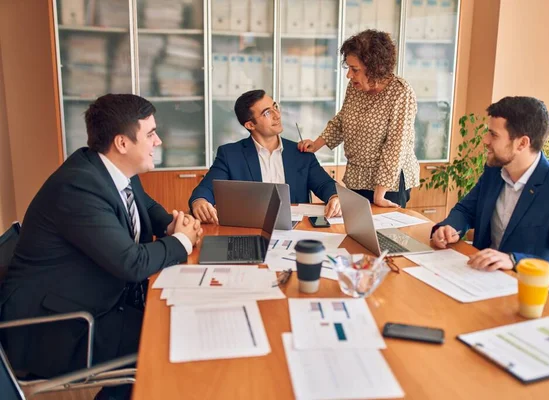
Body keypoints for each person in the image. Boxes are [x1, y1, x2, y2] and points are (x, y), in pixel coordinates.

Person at [0, 94, 202, 399]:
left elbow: (145, 207)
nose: (158, 141)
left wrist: (173, 224)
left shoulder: (111, 168)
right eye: (150, 134)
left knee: (177, 319)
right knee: (168, 341)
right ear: (122, 143)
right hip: (59, 327)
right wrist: (182, 240)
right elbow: (131, 263)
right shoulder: (78, 186)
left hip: (97, 301)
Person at [431, 96, 549, 297]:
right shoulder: (494, 172)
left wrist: (514, 261)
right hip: (478, 283)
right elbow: (465, 211)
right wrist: (449, 228)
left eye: (493, 135)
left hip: (525, 296)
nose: (485, 141)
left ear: (522, 143)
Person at [298, 29, 420, 208]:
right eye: (348, 68)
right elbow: (342, 120)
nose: (349, 75)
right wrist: (316, 144)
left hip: (388, 183)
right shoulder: (355, 87)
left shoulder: (401, 92)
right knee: (358, 230)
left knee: (383, 234)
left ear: (376, 68)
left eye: (354, 69)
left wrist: (379, 194)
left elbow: (396, 146)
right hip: (357, 176)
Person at [189, 89, 341, 224]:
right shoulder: (230, 154)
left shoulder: (300, 153)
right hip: (251, 229)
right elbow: (205, 189)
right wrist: (200, 201)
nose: (277, 115)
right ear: (250, 125)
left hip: (296, 231)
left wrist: (335, 196)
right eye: (267, 113)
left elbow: (325, 184)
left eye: (275, 107)